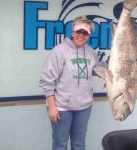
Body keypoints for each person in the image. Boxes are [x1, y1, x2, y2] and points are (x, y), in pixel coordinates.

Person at [40, 16, 101, 150]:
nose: (81, 35)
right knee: (60, 144)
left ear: (89, 35)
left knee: (79, 144)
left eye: (85, 33)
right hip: (62, 107)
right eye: (78, 31)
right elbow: (47, 80)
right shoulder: (59, 51)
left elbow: (98, 70)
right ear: (72, 31)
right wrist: (51, 107)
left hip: (84, 107)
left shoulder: (90, 52)